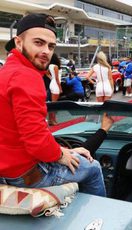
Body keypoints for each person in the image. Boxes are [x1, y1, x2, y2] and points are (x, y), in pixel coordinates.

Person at [0, 13, 114, 197]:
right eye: (38, 43)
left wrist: (62, 150)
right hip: (26, 175)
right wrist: (61, 155)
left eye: (51, 46)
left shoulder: (6, 71)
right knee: (92, 168)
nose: (46, 51)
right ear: (18, 43)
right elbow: (36, 141)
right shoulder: (27, 76)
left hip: (6, 169)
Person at [48, 53, 62, 125]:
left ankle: (51, 120)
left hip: (52, 83)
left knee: (52, 103)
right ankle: (53, 121)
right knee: (54, 104)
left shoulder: (50, 65)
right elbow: (57, 79)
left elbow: (47, 73)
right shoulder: (56, 66)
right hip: (56, 84)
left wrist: (51, 78)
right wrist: (60, 88)